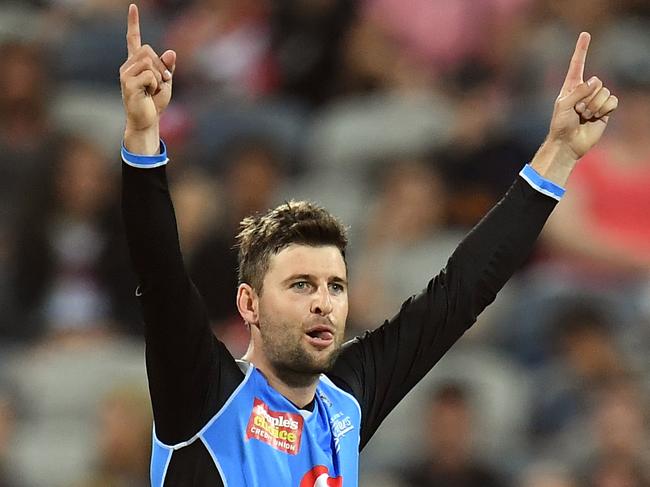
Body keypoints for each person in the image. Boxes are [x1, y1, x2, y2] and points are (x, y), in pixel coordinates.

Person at [119, 4, 618, 486]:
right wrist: (144, 134)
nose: (323, 301)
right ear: (249, 303)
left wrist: (559, 152)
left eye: (335, 286)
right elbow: (159, 270)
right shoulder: (205, 392)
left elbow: (460, 293)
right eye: (300, 284)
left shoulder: (347, 398)